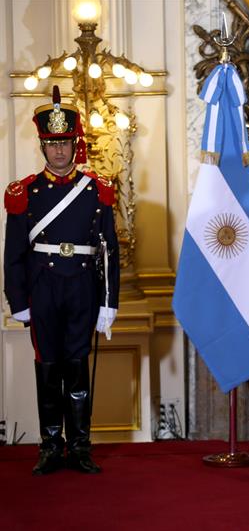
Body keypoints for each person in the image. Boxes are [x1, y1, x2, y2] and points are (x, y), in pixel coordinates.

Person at [4, 86, 120, 475]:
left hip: (82, 288)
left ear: (76, 144)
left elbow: (109, 252)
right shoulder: (25, 192)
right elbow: (13, 255)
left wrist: (109, 303)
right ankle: (51, 446)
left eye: (64, 143)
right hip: (43, 290)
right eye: (51, 144)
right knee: (48, 367)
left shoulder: (96, 191)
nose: (58, 151)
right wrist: (17, 300)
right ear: (42, 145)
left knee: (76, 365)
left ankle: (81, 447)